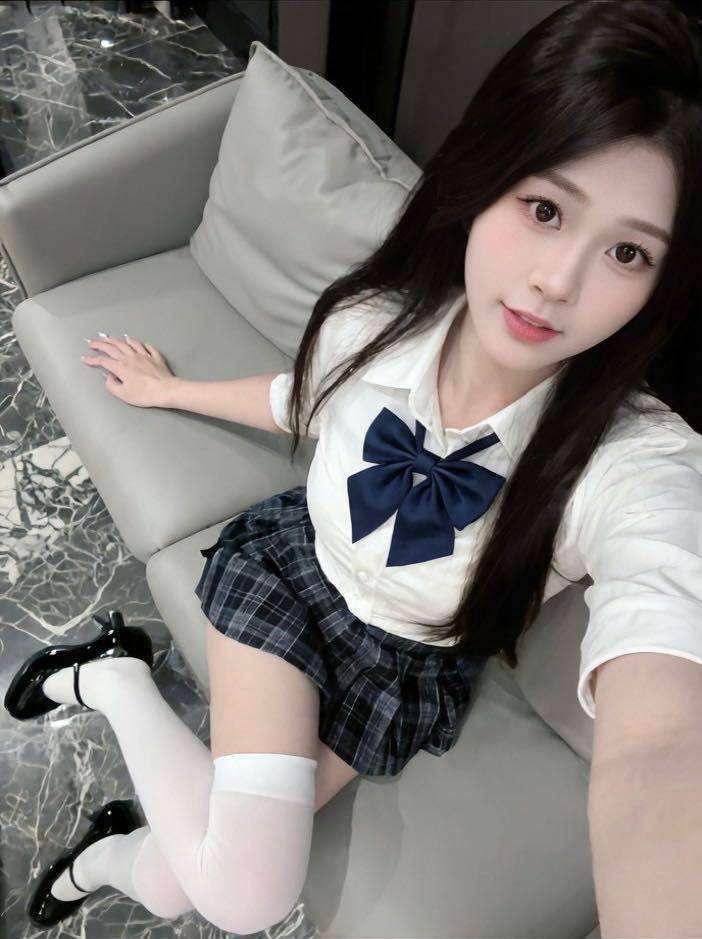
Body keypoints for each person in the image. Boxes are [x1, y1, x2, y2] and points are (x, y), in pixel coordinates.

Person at [5, 0, 702, 934]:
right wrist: (172, 391)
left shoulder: (630, 460)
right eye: (544, 209)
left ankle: (110, 714)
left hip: (403, 666)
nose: (557, 281)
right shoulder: (375, 324)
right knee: (245, 894)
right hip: (296, 582)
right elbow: (298, 401)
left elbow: (664, 729)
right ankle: (117, 683)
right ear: (486, 178)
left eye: (626, 251)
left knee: (180, 882)